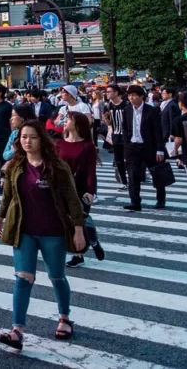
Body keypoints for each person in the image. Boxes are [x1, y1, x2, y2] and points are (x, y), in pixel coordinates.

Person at [0, 120, 86, 350]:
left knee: (56, 277)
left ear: (41, 139)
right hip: (24, 231)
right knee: (23, 278)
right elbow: (8, 196)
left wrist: (78, 229)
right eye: (24, 137)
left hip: (52, 231)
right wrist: (0, 219)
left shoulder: (57, 167)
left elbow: (73, 200)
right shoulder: (15, 166)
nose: (27, 141)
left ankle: (65, 318)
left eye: (32, 137)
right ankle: (17, 330)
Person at [59, 111, 105, 268]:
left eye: (69, 119)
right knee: (68, 220)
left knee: (80, 219)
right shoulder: (59, 143)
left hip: (81, 188)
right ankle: (88, 244)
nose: (65, 121)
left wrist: (91, 191)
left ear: (77, 124)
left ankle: (83, 250)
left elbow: (91, 171)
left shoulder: (87, 146)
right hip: (63, 188)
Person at [123, 85, 166, 211]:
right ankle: (135, 202)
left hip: (149, 147)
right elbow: (125, 129)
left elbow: (158, 131)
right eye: (130, 95)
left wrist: (160, 149)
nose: (131, 98)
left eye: (134, 95)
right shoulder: (127, 110)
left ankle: (160, 199)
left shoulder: (151, 110)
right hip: (133, 146)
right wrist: (127, 148)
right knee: (133, 175)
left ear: (142, 96)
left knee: (156, 174)